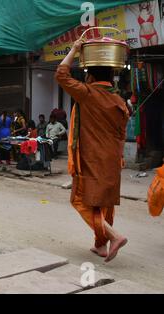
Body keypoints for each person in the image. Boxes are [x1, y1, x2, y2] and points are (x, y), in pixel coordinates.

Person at [56, 39, 129, 262]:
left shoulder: (87, 94)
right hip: (113, 159)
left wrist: (75, 49)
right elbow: (122, 134)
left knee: (80, 200)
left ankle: (114, 236)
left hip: (92, 158)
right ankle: (100, 246)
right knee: (104, 205)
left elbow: (61, 74)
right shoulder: (119, 101)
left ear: (90, 76)